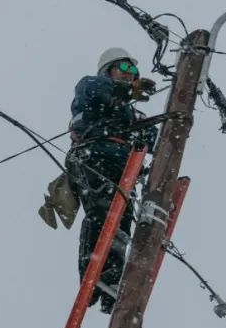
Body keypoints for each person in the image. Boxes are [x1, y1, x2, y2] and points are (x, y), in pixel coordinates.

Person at [65, 47, 158, 313]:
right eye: (125, 68)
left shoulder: (129, 115)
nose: (131, 75)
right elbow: (98, 90)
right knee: (103, 213)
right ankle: (95, 277)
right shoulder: (91, 86)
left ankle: (110, 285)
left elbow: (157, 139)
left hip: (122, 169)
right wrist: (129, 91)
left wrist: (179, 121)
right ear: (108, 69)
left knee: (120, 222)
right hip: (95, 157)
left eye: (134, 72)